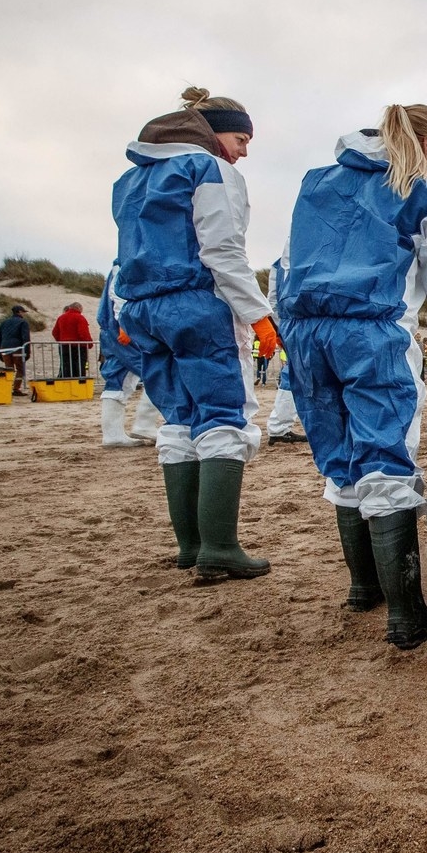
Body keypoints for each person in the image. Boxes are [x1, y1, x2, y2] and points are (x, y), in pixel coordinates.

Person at [279, 102, 427, 650]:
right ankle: (406, 615)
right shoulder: (424, 193)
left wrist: (285, 332)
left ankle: (363, 587)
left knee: (343, 460)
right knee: (385, 460)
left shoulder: (317, 182)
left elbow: (283, 264)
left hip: (307, 334)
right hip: (372, 336)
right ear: (425, 144)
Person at [112, 85, 275, 584]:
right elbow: (222, 249)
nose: (244, 151)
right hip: (197, 306)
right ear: (212, 132)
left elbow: (123, 252)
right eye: (241, 138)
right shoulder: (209, 168)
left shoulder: (130, 178)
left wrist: (121, 315)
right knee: (224, 418)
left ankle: (191, 546)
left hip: (143, 307)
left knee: (179, 422)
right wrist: (259, 315)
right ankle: (221, 547)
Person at [98, 263, 164, 447]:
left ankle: (112, 434)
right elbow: (119, 292)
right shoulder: (125, 260)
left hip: (113, 328)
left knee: (117, 378)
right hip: (124, 328)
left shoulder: (123, 259)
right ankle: (145, 424)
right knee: (158, 371)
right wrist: (124, 325)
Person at [264, 253, 306, 444]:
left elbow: (272, 300)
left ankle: (280, 425)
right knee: (296, 372)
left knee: (295, 371)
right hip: (306, 319)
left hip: (288, 322)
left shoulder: (277, 265)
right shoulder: (308, 254)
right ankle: (279, 425)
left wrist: (279, 327)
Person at [0, 304, 33, 396]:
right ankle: (16, 388)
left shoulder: (4, 322)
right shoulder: (23, 322)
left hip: (4, 348)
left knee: (9, 369)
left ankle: (7, 387)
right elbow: (25, 338)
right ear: (19, 312)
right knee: (20, 369)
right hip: (17, 348)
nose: (24, 313)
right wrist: (27, 351)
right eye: (23, 312)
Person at [52, 302, 93, 379]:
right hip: (78, 346)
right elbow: (83, 333)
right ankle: (79, 384)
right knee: (79, 366)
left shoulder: (61, 318)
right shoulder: (80, 318)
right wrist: (89, 343)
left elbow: (55, 332)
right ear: (79, 308)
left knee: (66, 366)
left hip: (64, 346)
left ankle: (65, 383)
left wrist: (61, 341)